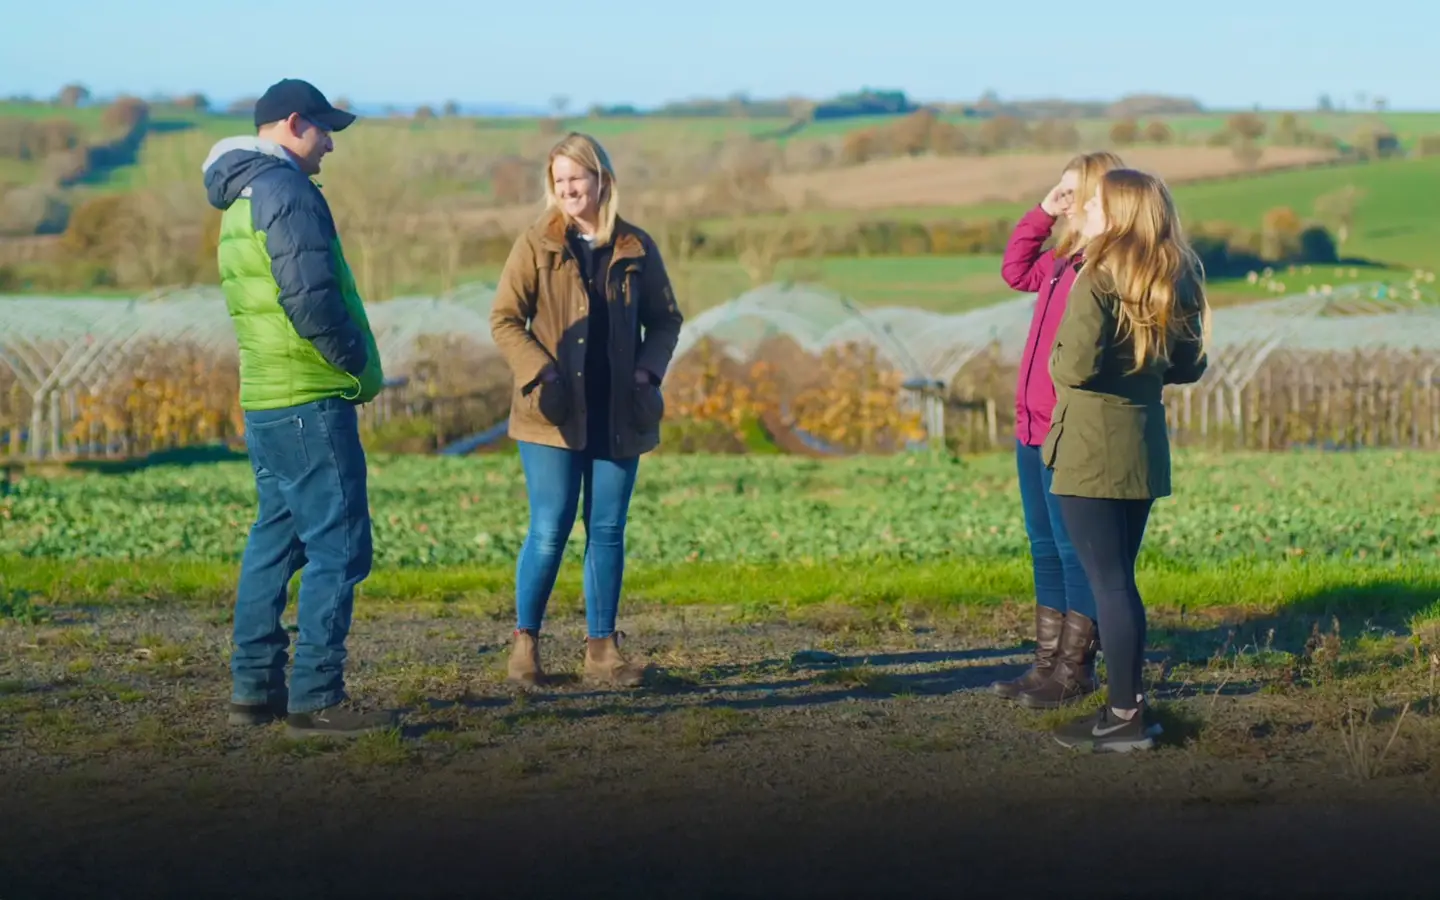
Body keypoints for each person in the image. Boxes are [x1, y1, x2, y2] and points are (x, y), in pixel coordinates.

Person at [202, 78, 394, 739]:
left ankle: (253, 692)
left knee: (275, 540)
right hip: (310, 397)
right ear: (292, 122)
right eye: (323, 127)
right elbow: (310, 300)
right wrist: (352, 363)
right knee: (339, 547)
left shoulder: (240, 194)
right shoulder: (287, 193)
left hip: (266, 397)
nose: (331, 143)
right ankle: (317, 697)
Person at [489, 132, 684, 689]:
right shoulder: (535, 244)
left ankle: (602, 651)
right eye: (560, 181)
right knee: (549, 531)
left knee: (606, 531)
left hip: (621, 411)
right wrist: (541, 370)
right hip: (550, 414)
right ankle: (525, 647)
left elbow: (667, 319)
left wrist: (648, 371)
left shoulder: (636, 248)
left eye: (578, 178)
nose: (570, 189)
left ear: (602, 179)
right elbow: (504, 318)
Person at [1042, 168, 1210, 751]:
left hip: (1089, 449)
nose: (1085, 211)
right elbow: (1189, 366)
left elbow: (1071, 368)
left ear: (1117, 215)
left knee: (1109, 584)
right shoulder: (1177, 276)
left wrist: (1062, 349)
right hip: (1143, 446)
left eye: (1096, 204)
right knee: (1120, 583)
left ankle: (1123, 716)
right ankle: (1128, 709)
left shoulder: (1098, 279)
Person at [992, 151, 1124, 710]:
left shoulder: (1105, 269)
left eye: (1075, 194)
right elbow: (1014, 271)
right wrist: (1041, 213)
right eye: (1061, 192)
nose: (1066, 202)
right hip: (1029, 425)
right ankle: (1046, 664)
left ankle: (1074, 671)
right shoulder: (1061, 262)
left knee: (1073, 552)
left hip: (1067, 429)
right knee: (1044, 546)